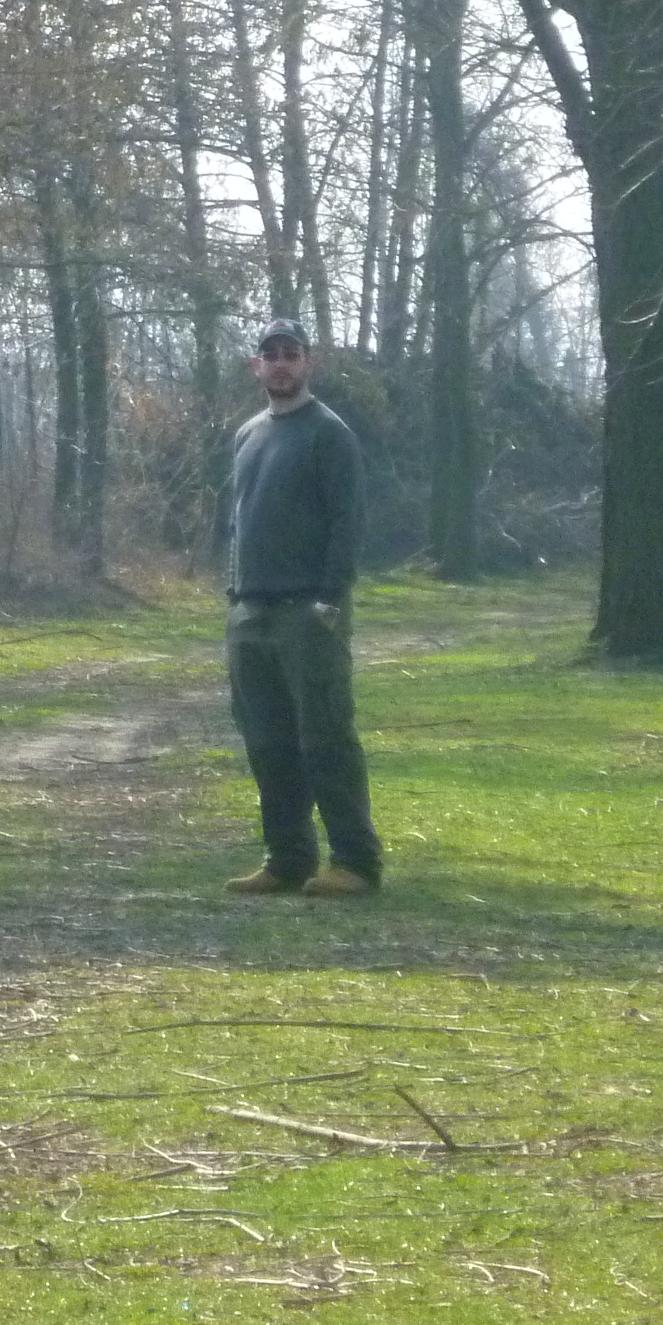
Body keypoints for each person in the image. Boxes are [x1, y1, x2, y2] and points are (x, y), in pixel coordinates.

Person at [221, 317, 382, 896]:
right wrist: (235, 594)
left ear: (308, 363)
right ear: (256, 366)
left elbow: (348, 520)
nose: (282, 364)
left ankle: (355, 863)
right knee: (267, 742)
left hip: (308, 612)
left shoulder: (329, 434)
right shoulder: (247, 435)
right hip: (251, 612)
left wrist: (330, 597)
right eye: (272, 355)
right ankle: (287, 859)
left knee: (326, 737)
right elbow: (239, 521)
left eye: (291, 354)